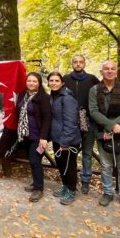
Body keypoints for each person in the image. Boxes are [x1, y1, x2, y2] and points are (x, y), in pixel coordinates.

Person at [89, 60, 120, 214]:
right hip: (103, 134)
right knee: (106, 167)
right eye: (106, 69)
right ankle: (107, 192)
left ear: (116, 71)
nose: (109, 71)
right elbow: (94, 111)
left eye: (112, 69)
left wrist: (118, 126)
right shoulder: (94, 90)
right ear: (101, 71)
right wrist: (110, 126)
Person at [63, 55, 99, 194]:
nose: (78, 64)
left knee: (87, 153)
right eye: (75, 62)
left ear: (84, 63)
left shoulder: (92, 79)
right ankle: (70, 180)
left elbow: (105, 89)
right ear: (72, 63)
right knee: (71, 153)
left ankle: (85, 180)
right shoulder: (65, 79)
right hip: (71, 122)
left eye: (80, 62)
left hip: (88, 121)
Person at [16, 72, 52, 203]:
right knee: (32, 160)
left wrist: (44, 137)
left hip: (38, 135)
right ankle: (36, 182)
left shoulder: (43, 97)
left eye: (34, 81)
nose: (31, 83)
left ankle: (39, 188)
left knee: (35, 160)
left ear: (39, 83)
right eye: (29, 81)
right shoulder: (22, 95)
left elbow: (47, 118)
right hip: (25, 135)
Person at [48, 72, 81, 205]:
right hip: (57, 138)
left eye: (57, 80)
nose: (54, 83)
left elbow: (71, 121)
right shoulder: (53, 96)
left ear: (62, 83)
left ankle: (71, 190)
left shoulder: (67, 98)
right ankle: (65, 186)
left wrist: (65, 142)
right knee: (61, 165)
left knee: (69, 166)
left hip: (68, 140)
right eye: (51, 80)